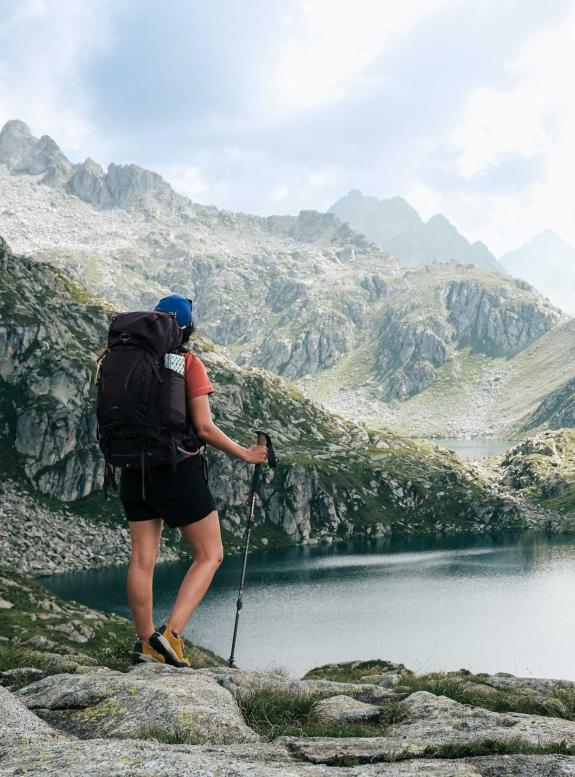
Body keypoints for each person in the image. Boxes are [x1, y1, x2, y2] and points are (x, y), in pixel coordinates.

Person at [120, 294, 267, 667]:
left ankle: (146, 644)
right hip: (177, 471)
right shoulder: (187, 363)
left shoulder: (119, 360)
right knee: (209, 554)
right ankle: (171, 635)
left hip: (132, 470)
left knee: (142, 559)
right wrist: (247, 454)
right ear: (186, 329)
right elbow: (203, 427)